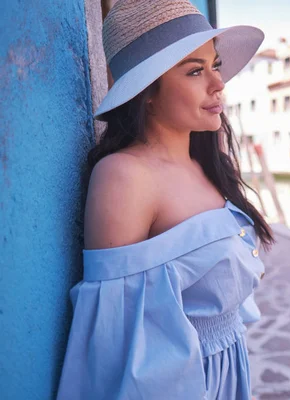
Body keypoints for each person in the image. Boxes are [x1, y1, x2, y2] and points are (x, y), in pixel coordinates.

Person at [56, 0, 274, 399]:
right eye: (195, 71)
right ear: (147, 92)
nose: (218, 83)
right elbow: (111, 340)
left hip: (227, 372)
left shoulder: (210, 162)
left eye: (215, 65)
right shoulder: (125, 176)